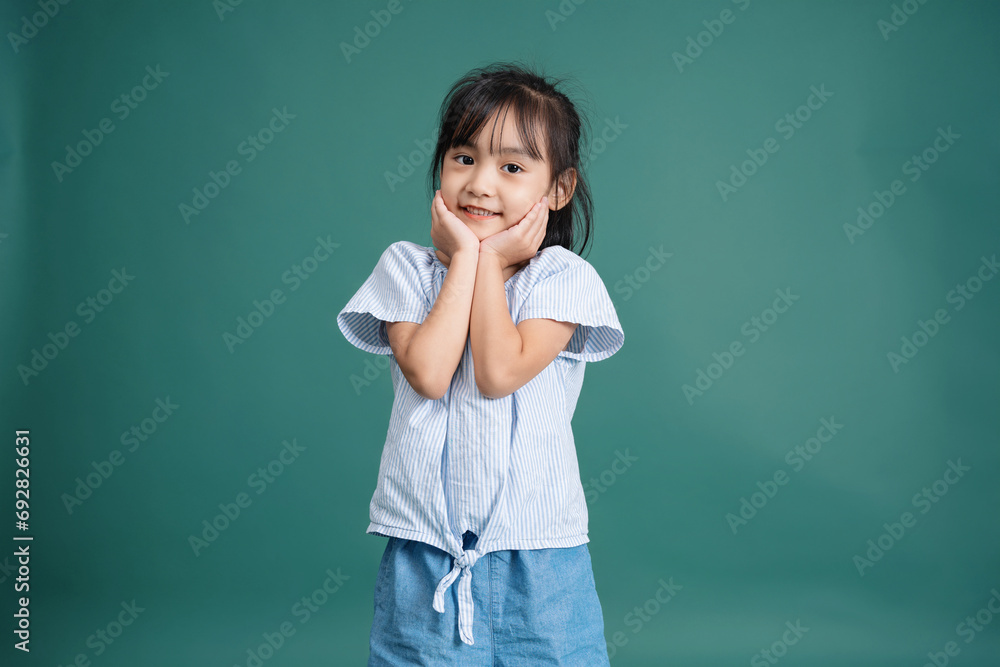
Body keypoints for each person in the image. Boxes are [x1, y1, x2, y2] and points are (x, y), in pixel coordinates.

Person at [337, 61, 625, 666]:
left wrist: (489, 266)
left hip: (539, 550)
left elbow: (499, 373)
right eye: (463, 158)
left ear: (559, 189)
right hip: (426, 549)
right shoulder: (406, 270)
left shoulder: (562, 279)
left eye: (513, 167)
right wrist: (467, 261)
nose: (481, 184)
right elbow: (430, 372)